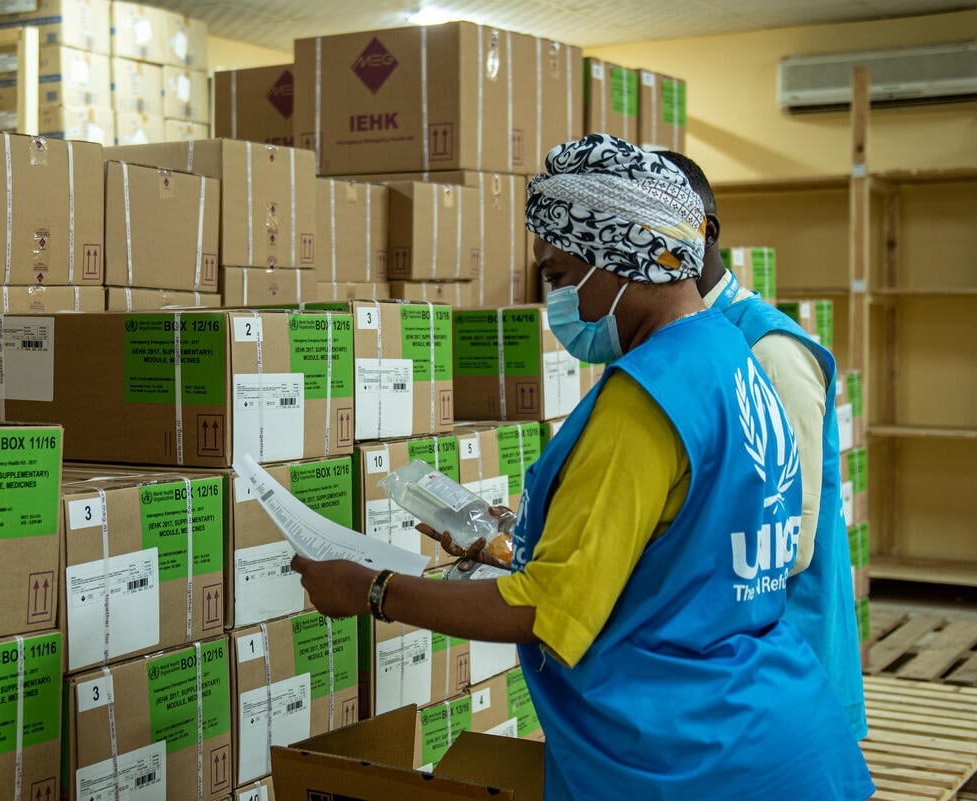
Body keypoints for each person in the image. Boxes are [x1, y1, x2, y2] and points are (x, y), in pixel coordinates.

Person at [292, 135, 874, 801]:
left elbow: (545, 608)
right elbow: (681, 552)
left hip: (694, 758)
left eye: (561, 275)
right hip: (774, 731)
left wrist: (373, 589)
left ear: (615, 254)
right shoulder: (731, 361)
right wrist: (536, 536)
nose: (562, 299)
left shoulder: (650, 394)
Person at [658, 149, 868, 739]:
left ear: (706, 232)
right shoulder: (675, 341)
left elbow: (788, 544)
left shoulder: (771, 350)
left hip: (779, 651)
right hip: (718, 651)